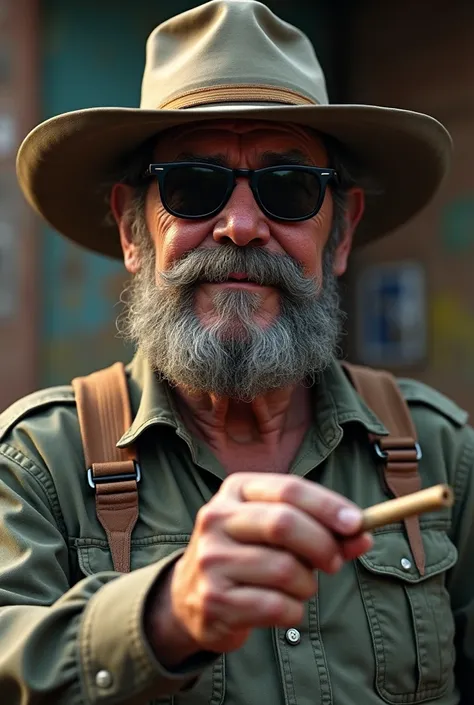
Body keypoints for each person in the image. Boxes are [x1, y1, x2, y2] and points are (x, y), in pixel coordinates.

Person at [1, 1, 472, 703]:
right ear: (134, 230)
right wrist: (164, 615)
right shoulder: (40, 466)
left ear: (340, 237)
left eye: (288, 188)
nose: (242, 226)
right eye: (194, 185)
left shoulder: (441, 451)